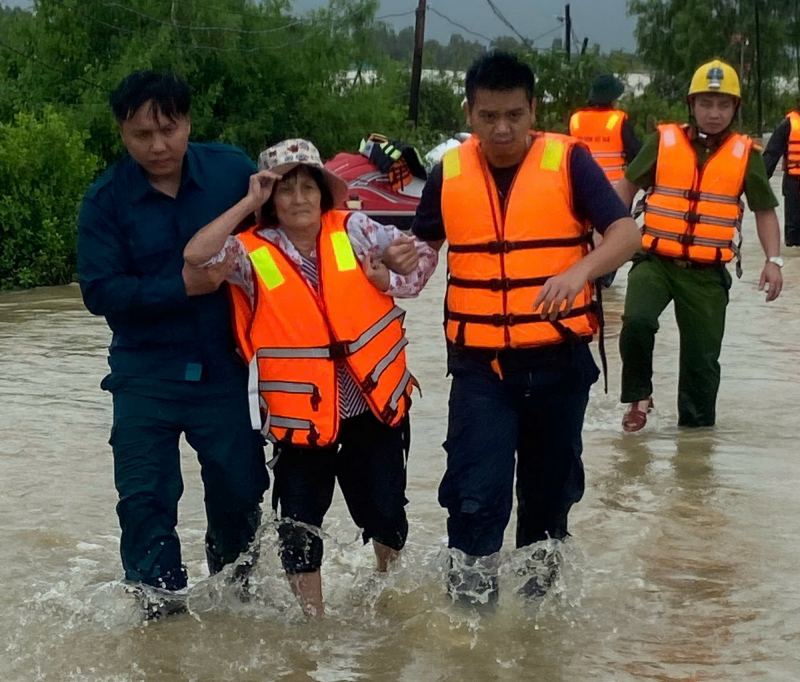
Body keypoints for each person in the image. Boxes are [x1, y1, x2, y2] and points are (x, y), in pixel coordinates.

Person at [410, 51, 641, 605]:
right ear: (469, 113)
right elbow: (421, 255)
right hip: (480, 370)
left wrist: (580, 270)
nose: (503, 128)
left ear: (533, 109)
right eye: (489, 116)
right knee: (474, 497)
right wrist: (394, 262)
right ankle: (471, 629)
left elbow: (625, 235)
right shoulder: (449, 173)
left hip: (558, 366)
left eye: (515, 114)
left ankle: (539, 634)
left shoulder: (570, 162)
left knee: (546, 506)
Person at [183, 138, 437, 618]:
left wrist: (393, 276)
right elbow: (197, 257)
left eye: (308, 187)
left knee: (386, 513)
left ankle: (387, 596)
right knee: (299, 526)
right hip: (300, 416)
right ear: (270, 199)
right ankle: (312, 624)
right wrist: (246, 203)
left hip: (371, 404)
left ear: (323, 193)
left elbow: (420, 266)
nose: (298, 198)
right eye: (285, 189)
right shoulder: (247, 253)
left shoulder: (357, 229)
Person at [77, 71, 269, 618]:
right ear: (122, 133)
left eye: (169, 128)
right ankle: (162, 624)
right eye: (142, 134)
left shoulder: (232, 171)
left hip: (225, 369)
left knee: (239, 494)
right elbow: (99, 291)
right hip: (144, 373)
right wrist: (181, 286)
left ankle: (236, 607)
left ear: (188, 122)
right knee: (144, 502)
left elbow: (293, 228)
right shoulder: (104, 201)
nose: (158, 145)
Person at [615, 59, 783, 433]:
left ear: (735, 109)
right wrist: (604, 242)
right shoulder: (663, 141)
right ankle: (639, 397)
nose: (714, 113)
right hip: (654, 261)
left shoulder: (747, 155)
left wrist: (774, 260)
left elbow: (765, 211)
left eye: (723, 105)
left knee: (702, 363)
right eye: (706, 103)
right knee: (637, 322)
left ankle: (695, 452)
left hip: (706, 275)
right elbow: (625, 190)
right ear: (691, 105)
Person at [570, 73, 643, 288]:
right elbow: (637, 156)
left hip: (578, 190)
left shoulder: (576, 120)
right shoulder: (619, 120)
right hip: (613, 193)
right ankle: (602, 282)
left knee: (585, 239)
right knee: (614, 241)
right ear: (613, 99)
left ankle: (584, 281)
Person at [763, 99, 800, 246]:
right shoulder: (789, 124)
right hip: (794, 182)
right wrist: (760, 181)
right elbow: (772, 153)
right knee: (794, 226)